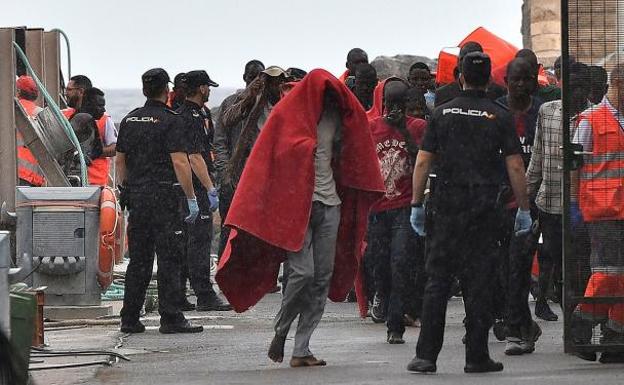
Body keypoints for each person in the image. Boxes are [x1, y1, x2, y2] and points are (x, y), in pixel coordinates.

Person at [215, 69, 385, 367]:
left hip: (330, 204)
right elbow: (266, 159)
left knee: (321, 278)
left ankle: (302, 347)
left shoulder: (340, 118)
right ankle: (281, 332)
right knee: (302, 273)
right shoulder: (288, 116)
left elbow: (354, 155)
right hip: (297, 207)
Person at [407, 52, 531, 374]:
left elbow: (423, 161)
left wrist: (416, 204)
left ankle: (426, 356)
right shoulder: (500, 115)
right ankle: (476, 356)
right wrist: (524, 209)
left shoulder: (442, 113)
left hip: (447, 208)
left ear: (460, 76)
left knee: (437, 280)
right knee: (479, 283)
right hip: (484, 210)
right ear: (490, 78)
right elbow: (516, 165)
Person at [116, 68, 203, 334]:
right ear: (168, 90)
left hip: (138, 198)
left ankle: (129, 318)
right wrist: (191, 197)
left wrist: (125, 188)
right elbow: (180, 161)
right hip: (164, 197)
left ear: (144, 90)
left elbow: (120, 160)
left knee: (139, 260)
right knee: (170, 258)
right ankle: (171, 316)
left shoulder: (130, 120)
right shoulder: (171, 120)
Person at [525, 62, 591, 342]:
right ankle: (557, 310)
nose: (573, 91)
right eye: (569, 85)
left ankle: (579, 326)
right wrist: (525, 198)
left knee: (579, 266)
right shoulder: (548, 112)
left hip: (583, 206)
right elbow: (538, 156)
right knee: (554, 259)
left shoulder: (593, 118)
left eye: (579, 86)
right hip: (550, 201)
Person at [571, 63, 624, 364]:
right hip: (602, 209)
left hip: (620, 208)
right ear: (617, 83)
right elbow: (575, 166)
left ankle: (616, 335)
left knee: (621, 275)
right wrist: (575, 205)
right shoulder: (590, 120)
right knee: (607, 273)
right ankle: (583, 320)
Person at [367, 80, 427, 344]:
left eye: (399, 106)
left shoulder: (418, 128)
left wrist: (403, 129)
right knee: (379, 264)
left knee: (400, 263)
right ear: (383, 105)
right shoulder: (372, 129)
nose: (394, 110)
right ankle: (383, 298)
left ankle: (395, 325)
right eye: (390, 105)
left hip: (404, 207)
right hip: (378, 209)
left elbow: (421, 163)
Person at [493, 58, 545, 354]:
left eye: (526, 79)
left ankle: (516, 330)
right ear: (506, 81)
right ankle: (526, 324)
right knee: (502, 268)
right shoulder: (496, 111)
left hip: (531, 203)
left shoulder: (542, 112)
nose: (521, 85)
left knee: (519, 267)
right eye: (516, 79)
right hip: (499, 202)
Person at [176, 70, 231, 312]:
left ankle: (180, 292)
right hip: (196, 186)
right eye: (207, 87)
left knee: (188, 241)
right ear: (201, 89)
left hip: (194, 185)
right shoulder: (190, 116)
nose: (209, 91)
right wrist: (209, 188)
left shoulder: (201, 113)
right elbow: (194, 157)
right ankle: (204, 294)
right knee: (199, 241)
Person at [213, 60, 265, 258]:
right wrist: (226, 173)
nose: (255, 82)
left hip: (259, 179)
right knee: (229, 228)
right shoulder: (231, 103)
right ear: (245, 78)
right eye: (252, 77)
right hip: (234, 178)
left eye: (259, 78)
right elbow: (219, 140)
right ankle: (224, 271)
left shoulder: (268, 105)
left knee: (258, 230)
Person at [63, 75, 118, 186]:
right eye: (100, 106)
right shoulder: (65, 116)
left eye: (69, 89)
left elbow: (115, 148)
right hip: (72, 181)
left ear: (80, 92)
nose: (65, 93)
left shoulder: (104, 119)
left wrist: (92, 152)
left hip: (95, 182)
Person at [15, 75, 45, 187]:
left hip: (11, 172)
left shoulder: (7, 110)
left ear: (18, 91)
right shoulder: (41, 113)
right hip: (33, 175)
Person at [434, 42, 483, 107]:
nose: (466, 63)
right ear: (457, 61)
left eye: (471, 59)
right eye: (463, 59)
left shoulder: (495, 92)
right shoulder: (442, 93)